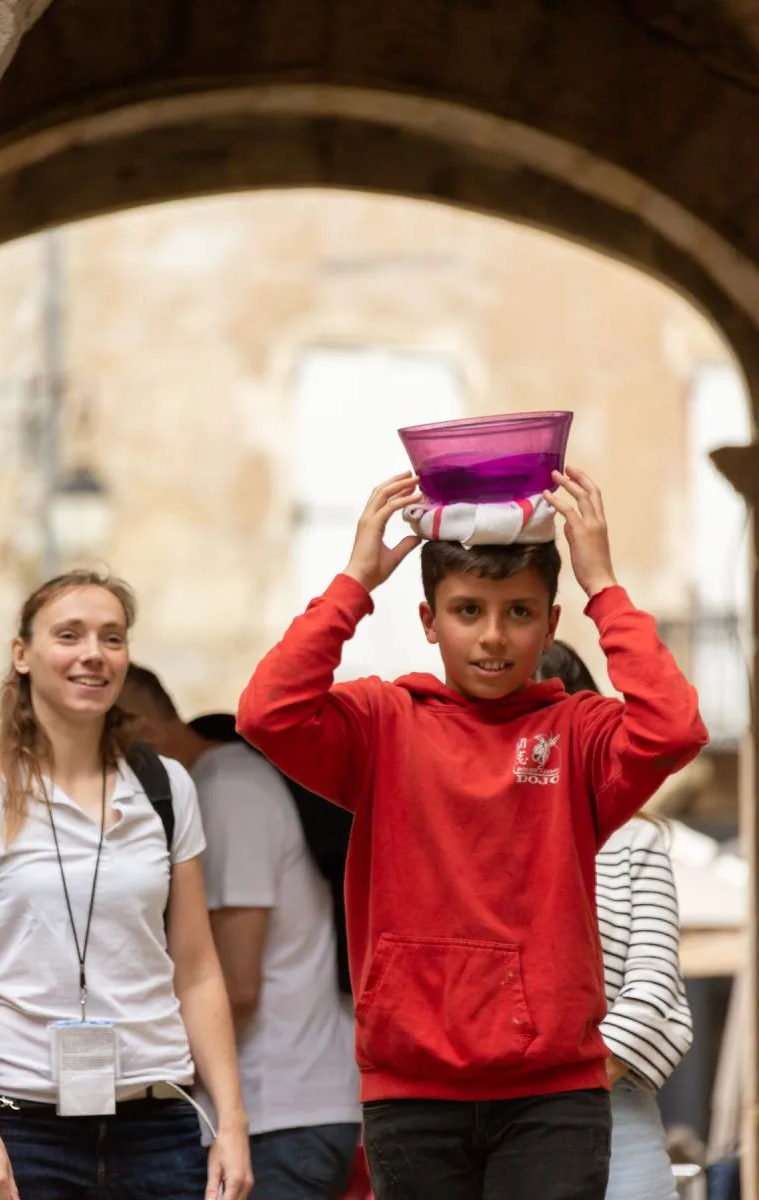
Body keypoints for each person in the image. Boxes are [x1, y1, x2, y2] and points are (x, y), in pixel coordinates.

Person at [236, 466, 708, 1200]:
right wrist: (354, 582)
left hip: (555, 1099)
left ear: (552, 623)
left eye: (519, 612)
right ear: (429, 620)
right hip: (411, 1094)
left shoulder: (578, 734)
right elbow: (267, 713)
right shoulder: (379, 725)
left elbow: (674, 726)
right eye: (467, 611)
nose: (493, 636)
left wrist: (603, 584)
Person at [0, 570, 252, 1200]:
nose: (93, 653)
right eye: (69, 635)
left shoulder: (166, 785)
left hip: (159, 1123)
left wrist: (231, 1121)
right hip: (23, 1127)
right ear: (22, 655)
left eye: (111, 638)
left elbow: (197, 969)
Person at [119, 665, 362, 1200]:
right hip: (280, 1108)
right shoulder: (219, 782)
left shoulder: (227, 791)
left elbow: (237, 984)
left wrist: (139, 1063)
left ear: (139, 728)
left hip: (282, 1112)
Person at [537, 640, 693, 1200]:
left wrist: (574, 1085)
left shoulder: (634, 838)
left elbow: (654, 983)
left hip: (612, 1111)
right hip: (488, 1117)